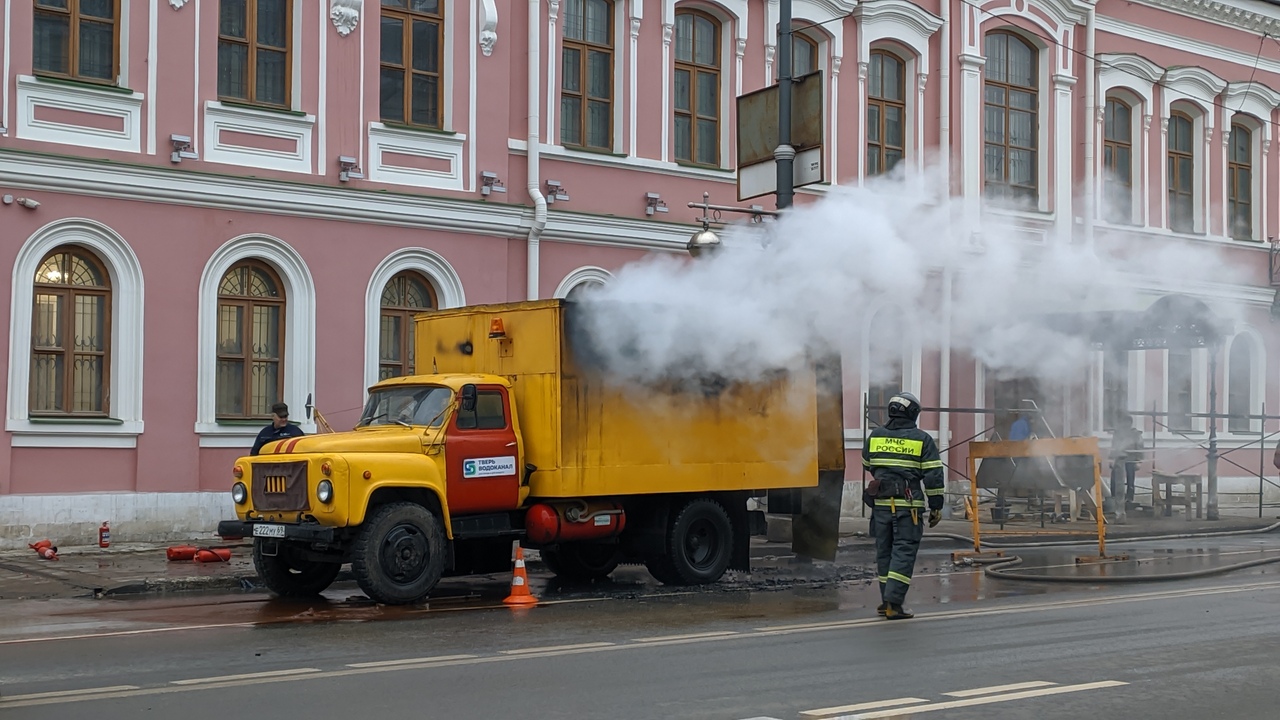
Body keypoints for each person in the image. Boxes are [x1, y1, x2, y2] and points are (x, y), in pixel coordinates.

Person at [862, 392, 944, 620]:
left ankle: (886, 599)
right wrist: (936, 506)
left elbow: (867, 463)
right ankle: (894, 604)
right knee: (903, 552)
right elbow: (933, 476)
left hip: (880, 506)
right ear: (913, 413)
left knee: (884, 552)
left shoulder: (876, 435)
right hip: (909, 508)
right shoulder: (922, 439)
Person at [1109, 415, 1142, 504]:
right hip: (1118, 458)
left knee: (1130, 479)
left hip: (1131, 459)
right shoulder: (1117, 433)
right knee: (1114, 479)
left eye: (1127, 422)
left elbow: (1139, 447)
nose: (1125, 424)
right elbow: (1113, 446)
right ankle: (1114, 497)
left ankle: (1129, 499)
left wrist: (1138, 460)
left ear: (1130, 423)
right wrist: (1111, 459)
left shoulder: (1135, 434)